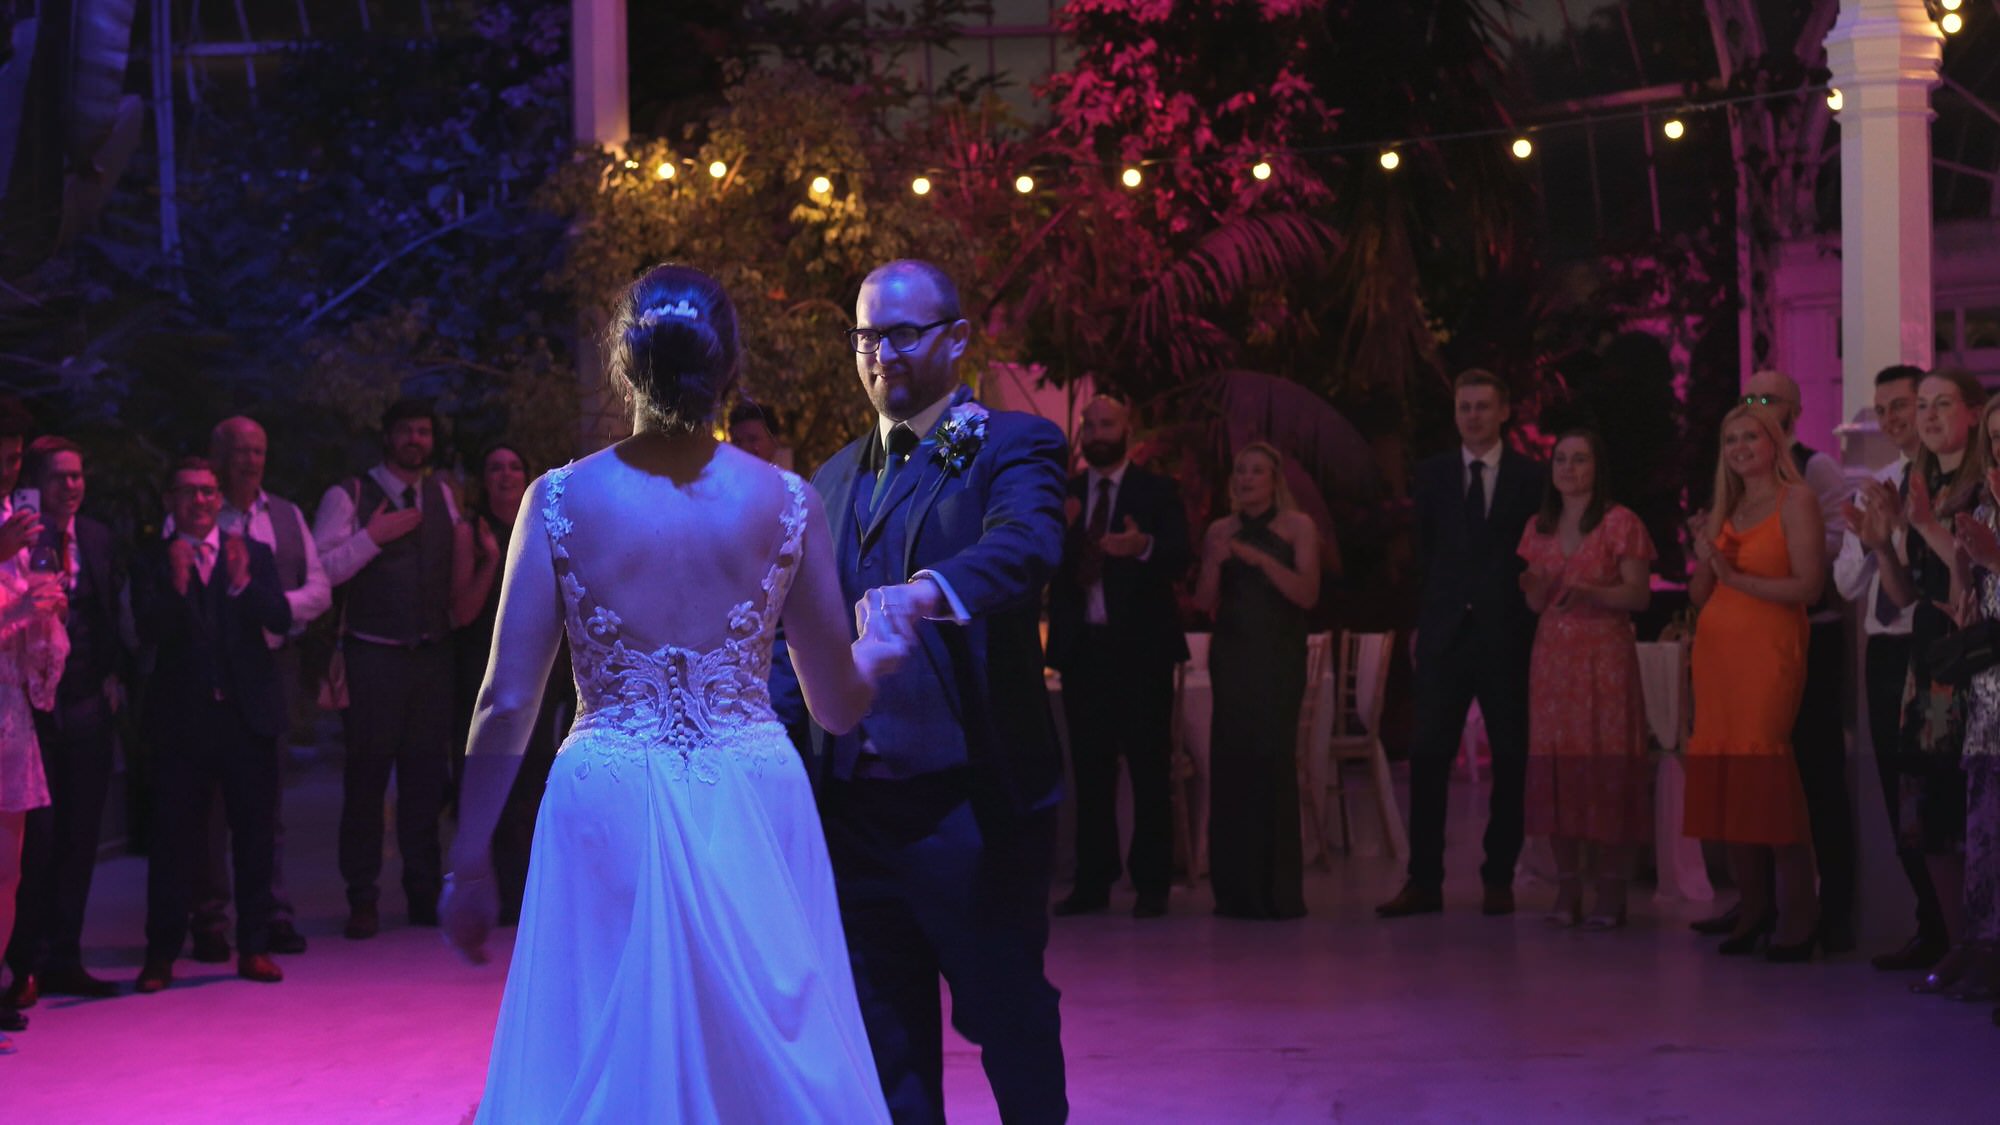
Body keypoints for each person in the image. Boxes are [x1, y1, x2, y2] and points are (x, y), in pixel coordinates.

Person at [443, 264, 908, 1121]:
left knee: (600, 1054)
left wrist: (469, 853)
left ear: (622, 363)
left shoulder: (556, 500)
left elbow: (506, 701)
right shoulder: (790, 502)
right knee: (763, 1057)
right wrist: (875, 652)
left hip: (609, 790)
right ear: (729, 369)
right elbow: (837, 705)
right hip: (749, 791)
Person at [770, 259, 1071, 1122]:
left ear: (956, 338)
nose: (881, 352)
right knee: (883, 1036)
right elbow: (801, 644)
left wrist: (928, 591)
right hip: (855, 812)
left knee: (1007, 1015)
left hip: (971, 807)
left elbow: (1025, 546)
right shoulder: (826, 481)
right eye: (867, 334)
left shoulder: (1010, 443)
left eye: (903, 332)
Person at [1379, 369, 1546, 919]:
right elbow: (1423, 554)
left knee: (1511, 756)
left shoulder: (1529, 478)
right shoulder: (1431, 475)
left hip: (1506, 632)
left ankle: (1498, 876)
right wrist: (1425, 621)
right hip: (1446, 633)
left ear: (1503, 412)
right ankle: (1423, 879)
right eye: (1464, 407)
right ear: (1455, 413)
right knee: (1427, 756)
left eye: (1482, 406)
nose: (1472, 415)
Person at [130, 458, 293, 992]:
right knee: (174, 841)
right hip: (181, 722)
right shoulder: (152, 558)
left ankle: (253, 948)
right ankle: (160, 954)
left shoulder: (255, 553)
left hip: (246, 720)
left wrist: (245, 584)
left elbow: (281, 619)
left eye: (208, 492)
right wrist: (177, 585)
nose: (200, 502)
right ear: (170, 502)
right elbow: (147, 629)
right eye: (188, 492)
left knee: (254, 840)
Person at [313, 398, 470, 939]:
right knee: (366, 781)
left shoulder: (443, 496)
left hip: (430, 655)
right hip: (372, 653)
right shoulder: (349, 495)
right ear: (387, 436)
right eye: (405, 430)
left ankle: (424, 893)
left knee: (426, 782)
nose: (414, 440)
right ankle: (362, 896)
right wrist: (371, 538)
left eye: (423, 431)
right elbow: (321, 574)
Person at [1686, 405, 1824, 961]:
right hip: (1718, 655)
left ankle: (1799, 913)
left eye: (1750, 437)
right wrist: (1705, 557)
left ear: (1774, 442)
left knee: (1764, 768)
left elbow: (1810, 587)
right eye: (1730, 440)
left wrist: (1736, 577)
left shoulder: (1798, 501)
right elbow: (1701, 597)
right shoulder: (1730, 506)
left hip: (1768, 652)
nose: (1740, 447)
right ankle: (1752, 906)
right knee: (1727, 772)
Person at [1866, 369, 1989, 992]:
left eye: (1943, 404)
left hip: (1977, 664)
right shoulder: (1923, 480)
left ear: (1973, 412)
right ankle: (1957, 940)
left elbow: (1973, 572)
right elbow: (1907, 596)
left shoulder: (1983, 484)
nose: (1930, 416)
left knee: (1976, 808)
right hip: (1929, 659)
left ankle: (1985, 941)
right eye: (1924, 406)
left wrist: (1922, 523)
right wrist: (1885, 543)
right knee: (1929, 808)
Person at [190, 416, 331, 962]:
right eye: (239, 451)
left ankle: (270, 914)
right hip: (212, 678)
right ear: (217, 456)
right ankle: (209, 918)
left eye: (258, 450)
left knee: (265, 806)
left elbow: (318, 589)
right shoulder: (201, 511)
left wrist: (272, 613)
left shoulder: (287, 516)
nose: (250, 461)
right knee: (211, 808)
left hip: (271, 671)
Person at [1047, 394, 1192, 920]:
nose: (1097, 431)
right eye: (1090, 423)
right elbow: (1037, 567)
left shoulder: (1155, 491)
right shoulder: (1062, 496)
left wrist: (1144, 546)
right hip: (1084, 650)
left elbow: (1180, 556)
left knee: (1151, 769)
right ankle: (1093, 880)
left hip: (1143, 652)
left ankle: (1152, 882)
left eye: (1107, 423)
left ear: (1128, 428)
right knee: (1090, 772)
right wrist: (1058, 531)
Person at [4, 438, 127, 1007]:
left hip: (85, 705)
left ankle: (66, 958)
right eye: (60, 478)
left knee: (81, 838)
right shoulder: (21, 537)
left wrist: (115, 677)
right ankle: (22, 962)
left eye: (78, 477)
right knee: (37, 845)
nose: (71, 487)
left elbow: (110, 617)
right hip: (31, 710)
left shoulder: (98, 538)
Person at [1515, 430, 1654, 929]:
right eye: (1561, 460)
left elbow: (1639, 596)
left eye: (1579, 459)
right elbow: (1535, 603)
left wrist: (1591, 590)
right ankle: (1568, 885)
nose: (1568, 468)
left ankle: (1612, 889)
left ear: (1598, 467)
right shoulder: (1539, 526)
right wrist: (1536, 587)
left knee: (1606, 763)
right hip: (1553, 657)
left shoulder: (1622, 523)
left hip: (1604, 654)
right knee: (1558, 767)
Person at [1835, 365, 1948, 971]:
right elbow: (1847, 581)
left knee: (1935, 787)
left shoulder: (1954, 482)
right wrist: (1874, 536)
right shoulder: (1877, 482)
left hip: (1932, 647)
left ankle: (1957, 929)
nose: (1894, 419)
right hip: (1885, 653)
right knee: (1896, 790)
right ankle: (1928, 924)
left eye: (1902, 405)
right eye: (1884, 409)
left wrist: (1903, 534)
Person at [1194, 442, 1321, 920]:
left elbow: (1308, 594)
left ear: (1274, 480)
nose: (1246, 479)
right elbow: (1205, 601)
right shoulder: (1218, 531)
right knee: (1232, 763)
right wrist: (1214, 561)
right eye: (1240, 471)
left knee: (1272, 762)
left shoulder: (1297, 527)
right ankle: (1235, 891)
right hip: (1232, 655)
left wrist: (1260, 560)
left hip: (1278, 656)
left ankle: (1279, 892)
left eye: (1257, 472)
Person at [448, 442, 572, 924]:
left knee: (534, 780)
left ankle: (527, 891)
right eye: (494, 468)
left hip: (543, 670)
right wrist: (490, 559)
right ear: (484, 479)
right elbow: (461, 612)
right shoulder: (472, 533)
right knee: (492, 767)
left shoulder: (545, 526)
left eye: (514, 466)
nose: (504, 475)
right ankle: (485, 884)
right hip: (483, 667)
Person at [0, 507, 68, 1050]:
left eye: (14, 459)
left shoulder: (16, 525)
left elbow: (35, 655)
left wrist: (44, 620)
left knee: (7, 873)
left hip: (9, 717)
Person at [1943, 395, 2000, 1003]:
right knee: (1986, 832)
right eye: (1996, 437)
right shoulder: (1987, 506)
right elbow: (1974, 593)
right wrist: (1964, 578)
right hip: (1989, 694)